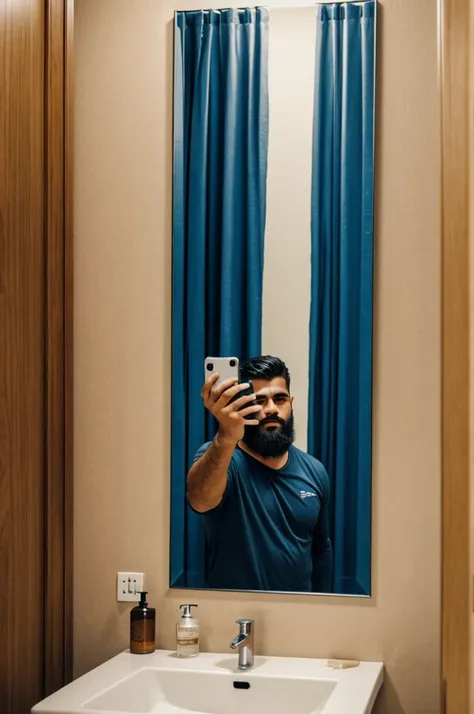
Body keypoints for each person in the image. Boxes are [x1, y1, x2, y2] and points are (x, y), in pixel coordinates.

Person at [186, 355, 333, 593]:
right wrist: (226, 435)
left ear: (291, 403)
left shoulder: (314, 470)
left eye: (280, 399)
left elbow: (321, 548)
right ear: (245, 405)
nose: (271, 409)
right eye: (260, 401)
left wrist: (325, 609)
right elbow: (199, 500)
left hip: (302, 617)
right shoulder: (222, 458)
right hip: (232, 617)